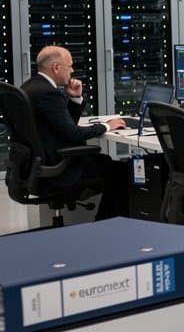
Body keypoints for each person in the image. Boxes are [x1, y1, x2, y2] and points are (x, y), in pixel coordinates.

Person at [21, 46, 129, 219]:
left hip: (36, 166)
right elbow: (72, 134)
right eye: (69, 66)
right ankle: (106, 225)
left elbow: (61, 126)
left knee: (107, 162)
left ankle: (105, 222)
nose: (72, 71)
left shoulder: (30, 86)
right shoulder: (48, 93)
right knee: (121, 171)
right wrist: (107, 126)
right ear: (56, 68)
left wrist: (74, 99)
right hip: (57, 170)